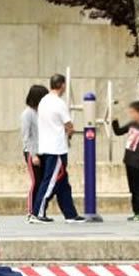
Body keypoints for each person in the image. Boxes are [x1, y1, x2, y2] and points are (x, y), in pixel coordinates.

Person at [31, 73, 83, 224]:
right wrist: (71, 132)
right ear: (62, 85)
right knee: (50, 182)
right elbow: (69, 125)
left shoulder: (43, 102)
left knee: (63, 184)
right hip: (57, 149)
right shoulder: (59, 103)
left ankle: (70, 214)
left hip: (46, 147)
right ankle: (37, 213)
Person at [21, 84, 49, 219]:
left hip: (44, 151)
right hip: (33, 152)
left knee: (44, 182)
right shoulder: (27, 114)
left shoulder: (41, 112)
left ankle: (40, 211)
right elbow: (26, 136)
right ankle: (31, 211)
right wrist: (33, 155)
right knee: (36, 182)